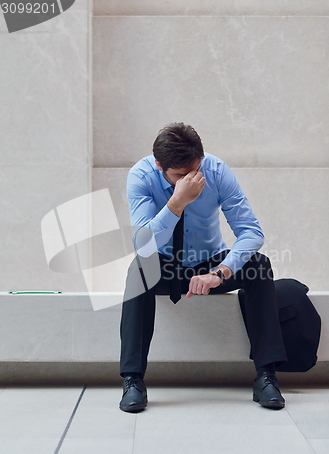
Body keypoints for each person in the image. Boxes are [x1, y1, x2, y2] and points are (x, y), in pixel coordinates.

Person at [119, 122, 288, 413]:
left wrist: (219, 272)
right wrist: (176, 203)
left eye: (195, 171)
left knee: (260, 265)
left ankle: (266, 376)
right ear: (160, 165)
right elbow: (143, 243)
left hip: (210, 265)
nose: (191, 180)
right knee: (139, 268)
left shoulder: (217, 171)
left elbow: (251, 232)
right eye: (180, 176)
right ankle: (133, 380)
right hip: (163, 265)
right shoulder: (142, 176)